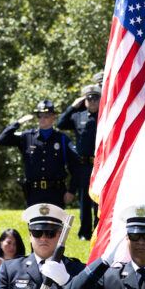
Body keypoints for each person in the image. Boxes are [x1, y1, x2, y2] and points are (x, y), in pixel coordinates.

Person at [0, 100, 78, 207]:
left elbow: (75, 167)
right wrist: (19, 122)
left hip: (56, 193)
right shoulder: (27, 137)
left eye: (46, 115)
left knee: (55, 223)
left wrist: (71, 191)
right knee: (35, 223)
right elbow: (2, 139)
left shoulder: (62, 139)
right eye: (39, 115)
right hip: (33, 193)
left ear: (53, 117)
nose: (42, 118)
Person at [56, 85, 102, 239]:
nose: (93, 101)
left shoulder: (106, 115)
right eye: (89, 98)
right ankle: (84, 232)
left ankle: (98, 229)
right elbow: (60, 123)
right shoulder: (78, 116)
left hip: (100, 165)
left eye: (96, 98)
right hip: (83, 165)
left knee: (98, 199)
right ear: (85, 100)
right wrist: (73, 106)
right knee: (84, 199)